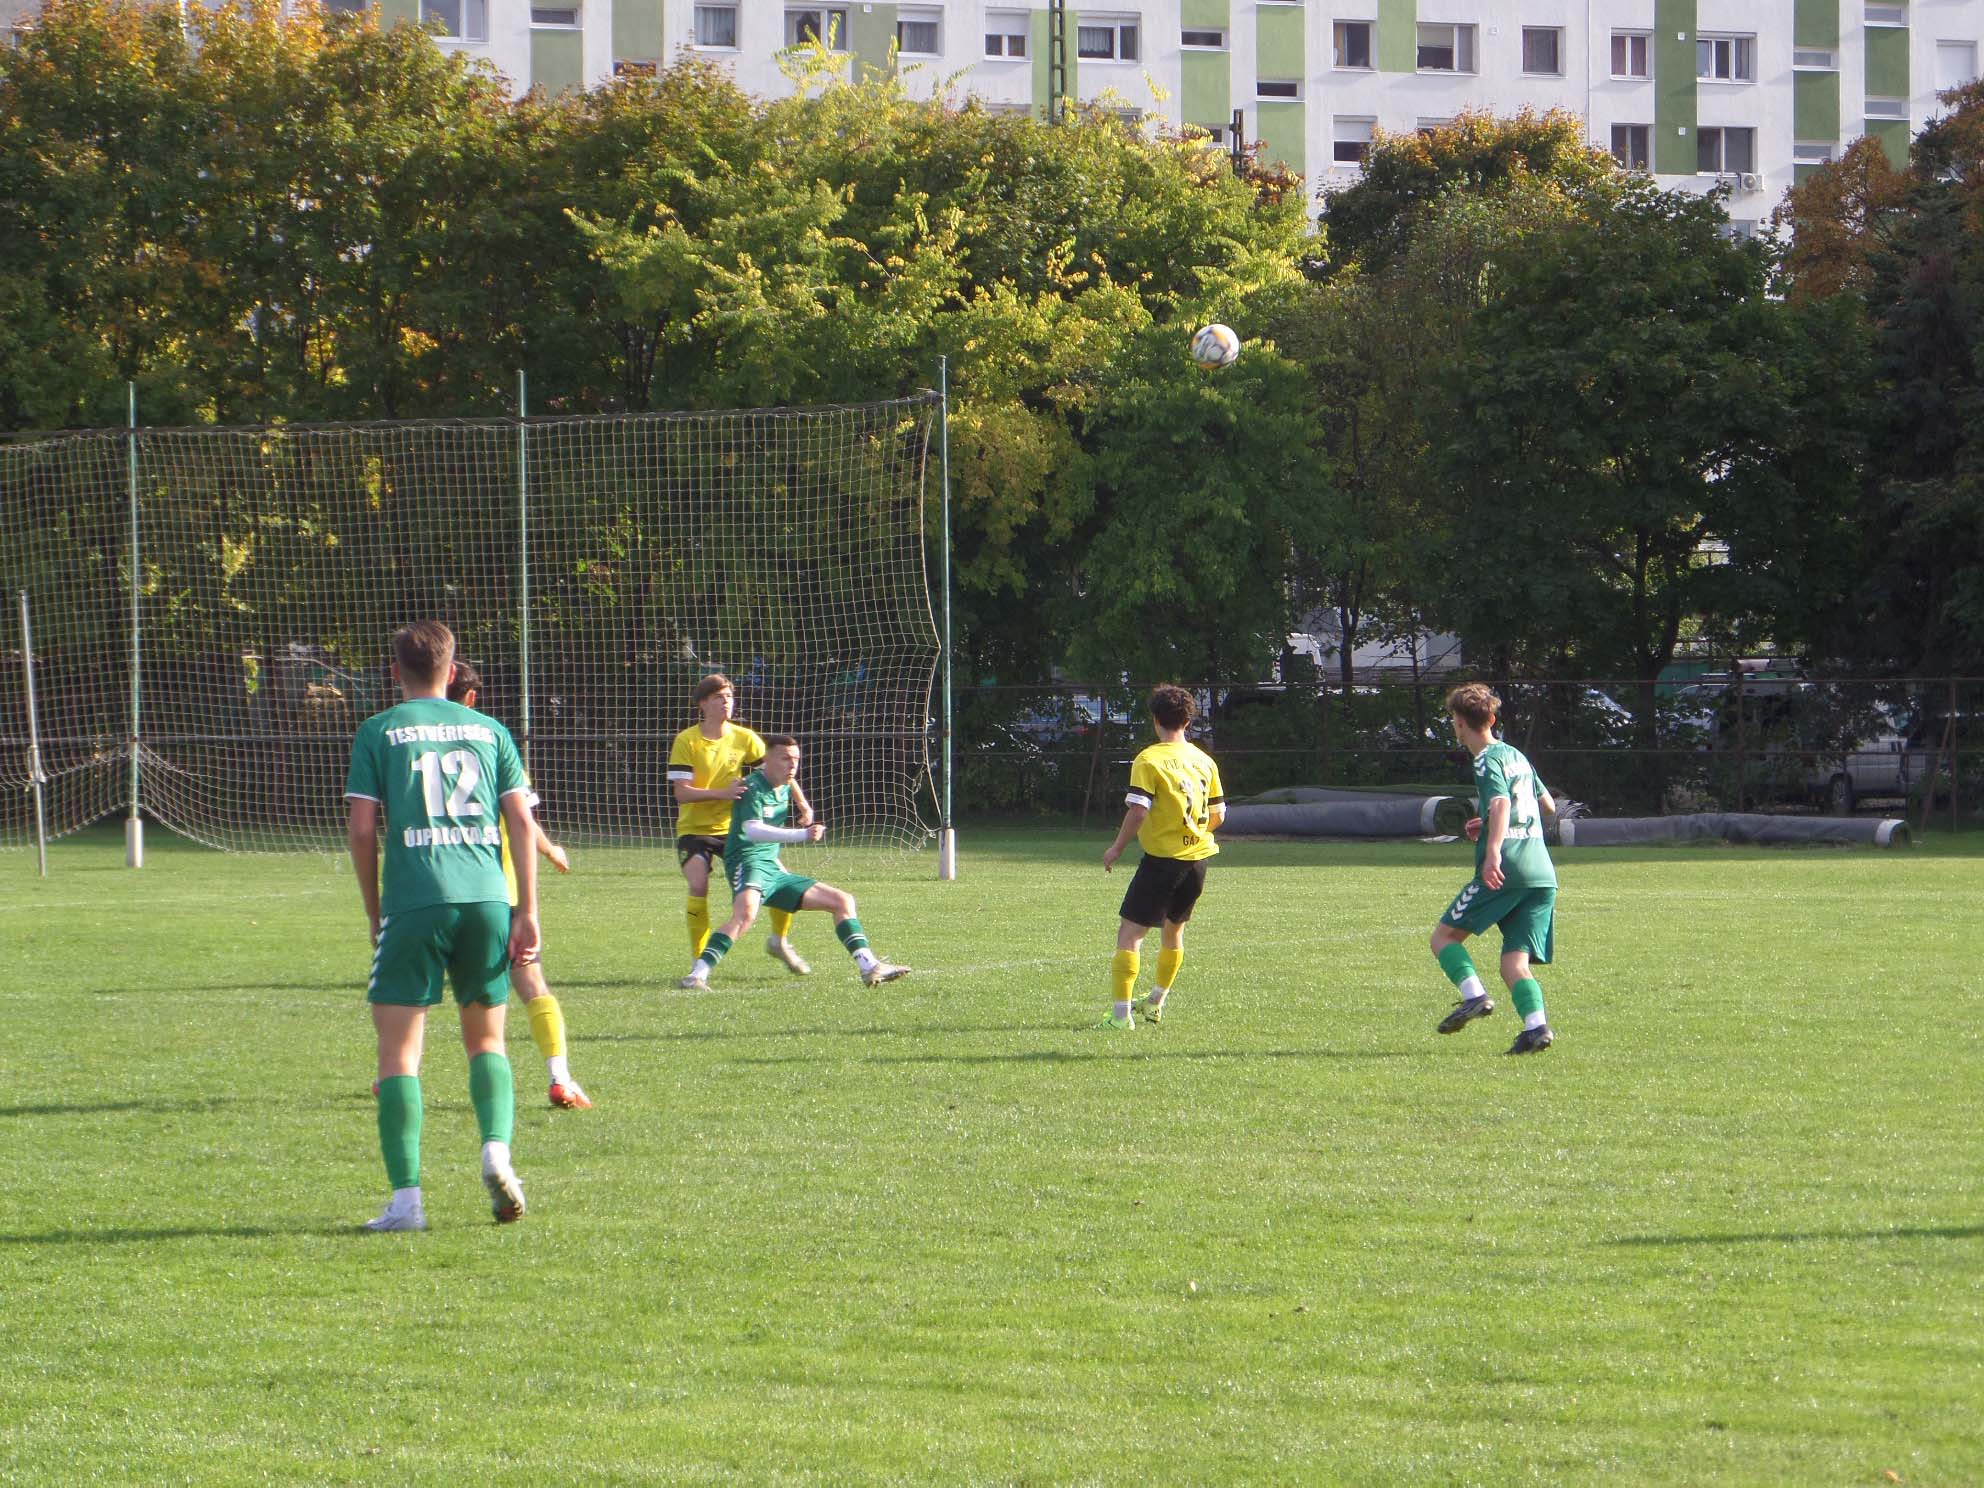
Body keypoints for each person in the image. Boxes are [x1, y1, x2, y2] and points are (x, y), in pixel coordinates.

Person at [345, 620, 538, 1232]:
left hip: (416, 899)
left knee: (398, 1055)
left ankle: (407, 1203)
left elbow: (361, 829)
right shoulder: (490, 730)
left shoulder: (378, 731)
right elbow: (521, 824)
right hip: (486, 899)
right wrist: (527, 910)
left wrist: (375, 911)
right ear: (452, 672)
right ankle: (496, 1152)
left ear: (394, 671)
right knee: (487, 1042)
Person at [445, 662, 590, 1110]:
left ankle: (390, 1073)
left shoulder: (408, 741)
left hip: (436, 890)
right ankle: (559, 1077)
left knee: (418, 988)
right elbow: (521, 819)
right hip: (499, 894)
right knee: (531, 985)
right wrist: (550, 851)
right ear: (472, 697)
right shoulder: (492, 740)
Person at [676, 734, 909, 989]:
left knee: (842, 901)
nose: (792, 765)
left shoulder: (784, 784)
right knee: (745, 915)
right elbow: (752, 830)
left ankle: (869, 966)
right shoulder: (751, 787)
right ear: (766, 760)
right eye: (785, 758)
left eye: (796, 759)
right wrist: (803, 834)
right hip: (748, 862)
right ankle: (696, 975)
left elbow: (790, 789)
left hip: (772, 867)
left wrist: (805, 807)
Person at [1430, 682, 1558, 1055]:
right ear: (1492, 718)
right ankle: (1536, 1029)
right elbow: (1547, 806)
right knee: (1514, 962)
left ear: (1459, 722)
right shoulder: (1516, 755)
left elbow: (1501, 803)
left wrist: (1493, 851)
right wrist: (1486, 823)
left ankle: (1474, 996)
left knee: (1443, 938)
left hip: (1510, 867)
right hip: (1541, 872)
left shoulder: (1486, 759)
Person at [668, 674, 812, 977]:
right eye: (718, 697)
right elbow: (682, 793)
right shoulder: (687, 740)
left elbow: (779, 770)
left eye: (729, 696)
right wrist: (723, 793)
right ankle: (699, 960)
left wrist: (802, 804)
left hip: (735, 829)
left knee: (779, 877)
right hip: (695, 830)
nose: (726, 702)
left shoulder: (744, 737)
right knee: (698, 884)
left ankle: (779, 941)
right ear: (703, 703)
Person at [1098, 685, 1224, 1030]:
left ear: (1155, 719)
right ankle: (1155, 1002)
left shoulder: (1149, 759)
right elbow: (1219, 814)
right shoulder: (1204, 760)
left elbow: (1138, 810)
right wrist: (1194, 833)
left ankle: (1120, 1018)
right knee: (1173, 933)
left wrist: (1116, 848)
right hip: (1197, 860)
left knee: (1130, 935)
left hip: (1163, 862)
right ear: (1188, 720)